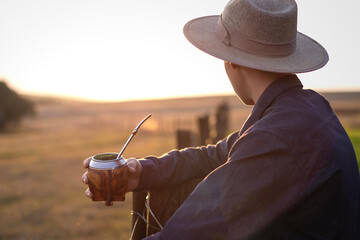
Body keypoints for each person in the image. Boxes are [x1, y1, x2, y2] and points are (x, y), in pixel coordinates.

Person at [82, 0, 360, 239]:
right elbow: (216, 154)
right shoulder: (304, 108)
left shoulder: (275, 138)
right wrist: (141, 173)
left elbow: (189, 231)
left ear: (233, 61)